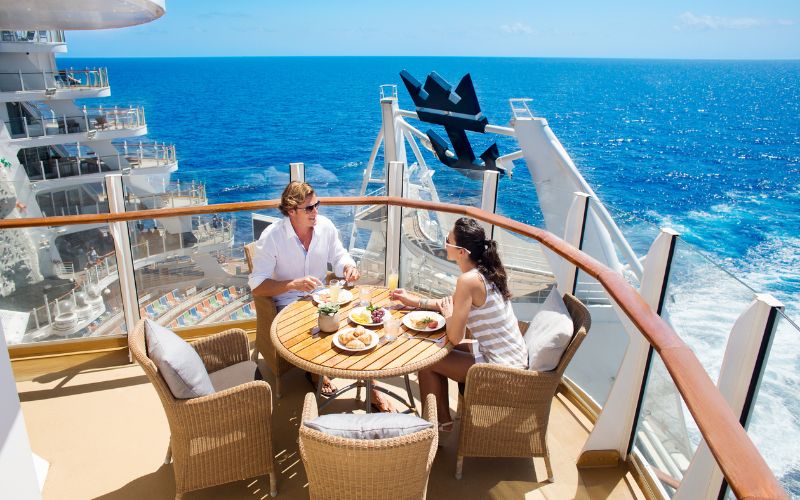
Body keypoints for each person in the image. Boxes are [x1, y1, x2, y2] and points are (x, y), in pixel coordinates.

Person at [248, 181, 394, 411]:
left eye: (317, 205)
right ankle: (316, 373)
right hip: (287, 303)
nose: (316, 212)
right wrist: (291, 284)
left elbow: (339, 256)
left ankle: (369, 383)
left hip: (321, 297)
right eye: (309, 208)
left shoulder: (325, 227)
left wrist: (348, 267)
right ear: (291, 210)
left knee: (356, 322)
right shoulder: (272, 237)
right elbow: (257, 286)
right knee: (326, 326)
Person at [390, 217, 528, 432]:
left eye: (448, 239)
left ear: (462, 251)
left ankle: (437, 427)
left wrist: (449, 314)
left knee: (426, 360)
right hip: (509, 357)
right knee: (430, 351)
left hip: (505, 372)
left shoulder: (468, 281)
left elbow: (455, 336)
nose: (444, 242)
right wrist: (414, 301)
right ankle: (438, 422)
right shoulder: (486, 272)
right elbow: (453, 303)